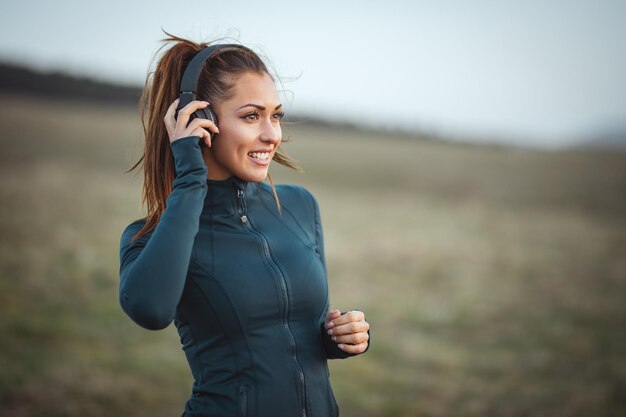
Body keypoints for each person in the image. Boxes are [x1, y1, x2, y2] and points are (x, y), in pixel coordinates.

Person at [118, 32, 370, 417]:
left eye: (275, 115)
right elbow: (150, 310)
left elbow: (299, 328)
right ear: (199, 120)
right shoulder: (152, 237)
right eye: (252, 116)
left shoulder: (300, 206)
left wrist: (338, 337)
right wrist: (189, 177)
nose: (273, 135)